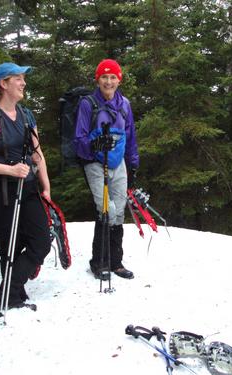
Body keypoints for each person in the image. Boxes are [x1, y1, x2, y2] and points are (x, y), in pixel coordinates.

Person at [0, 62, 51, 310]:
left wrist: (46, 187)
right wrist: (10, 170)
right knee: (11, 244)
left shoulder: (26, 115)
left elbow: (37, 155)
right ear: (3, 84)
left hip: (27, 187)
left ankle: (8, 290)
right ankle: (12, 295)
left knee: (41, 242)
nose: (23, 82)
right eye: (18, 78)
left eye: (23, 78)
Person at [74, 58, 139, 280]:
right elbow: (79, 138)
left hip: (118, 162)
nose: (108, 81)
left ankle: (116, 262)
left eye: (113, 77)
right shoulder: (88, 104)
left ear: (119, 80)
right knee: (106, 209)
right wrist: (93, 145)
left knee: (119, 210)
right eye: (104, 76)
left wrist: (133, 164)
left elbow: (130, 137)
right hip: (95, 162)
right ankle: (99, 262)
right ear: (97, 79)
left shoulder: (125, 105)